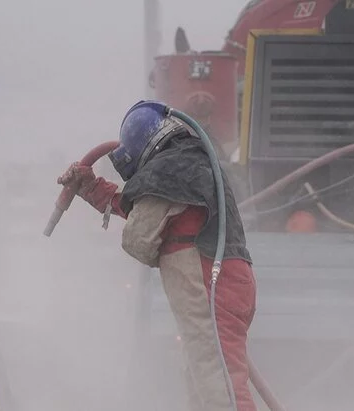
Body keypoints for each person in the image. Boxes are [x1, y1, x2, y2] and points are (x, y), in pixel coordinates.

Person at [57, 100, 257, 411]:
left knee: (220, 390)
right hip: (228, 283)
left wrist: (157, 253)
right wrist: (92, 188)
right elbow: (147, 209)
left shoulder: (168, 171)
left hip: (208, 287)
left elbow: (138, 238)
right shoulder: (189, 165)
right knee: (204, 383)